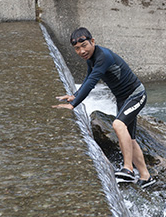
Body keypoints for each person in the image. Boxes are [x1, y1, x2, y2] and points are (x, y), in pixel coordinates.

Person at [53, 27, 155, 188]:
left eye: (84, 45)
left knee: (118, 125)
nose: (81, 51)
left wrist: (73, 104)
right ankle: (146, 176)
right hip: (122, 99)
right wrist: (75, 95)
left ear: (93, 42)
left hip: (136, 95)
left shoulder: (103, 57)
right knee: (130, 138)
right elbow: (88, 78)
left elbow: (92, 82)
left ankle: (128, 169)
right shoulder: (91, 59)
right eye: (77, 49)